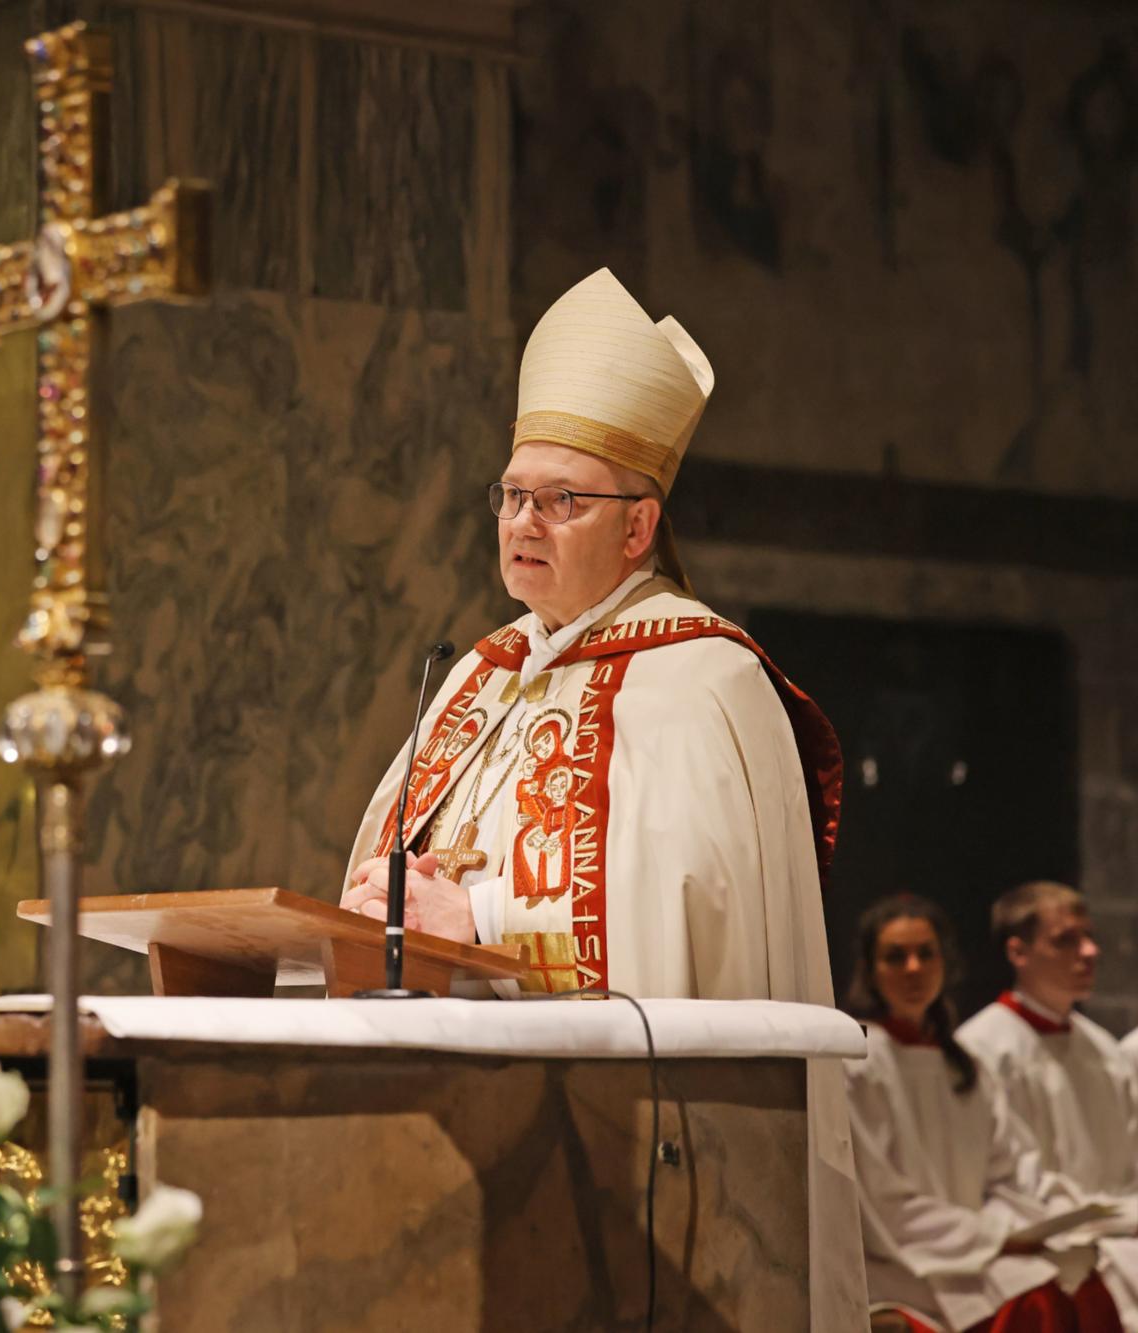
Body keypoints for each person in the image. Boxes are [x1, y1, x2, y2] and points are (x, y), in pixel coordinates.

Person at [335, 266, 860, 1330]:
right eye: (512, 494)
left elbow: (684, 925)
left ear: (636, 527)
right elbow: (386, 878)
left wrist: (474, 922)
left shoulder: (702, 679)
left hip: (637, 1169)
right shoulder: (476, 672)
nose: (523, 521)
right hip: (445, 1130)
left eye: (561, 500)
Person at [843, 894, 1119, 1331]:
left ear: (944, 963)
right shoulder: (858, 1063)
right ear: (871, 970)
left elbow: (1006, 1170)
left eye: (926, 954)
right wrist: (994, 1237)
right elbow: (882, 1201)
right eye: (896, 957)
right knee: (1037, 1307)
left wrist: (1022, 1230)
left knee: (1080, 1287)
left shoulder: (962, 1062)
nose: (913, 968)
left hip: (977, 1250)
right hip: (904, 1262)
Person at [958, 882, 1138, 1322]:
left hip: (1118, 1230)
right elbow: (998, 1176)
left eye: (1089, 936)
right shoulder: (982, 1049)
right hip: (1045, 1240)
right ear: (1018, 952)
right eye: (1066, 940)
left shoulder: (1103, 1050)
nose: (1091, 951)